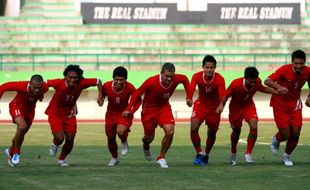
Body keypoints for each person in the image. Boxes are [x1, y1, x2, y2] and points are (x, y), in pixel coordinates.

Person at [123, 62, 193, 168]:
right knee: (149, 138)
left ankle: (161, 157)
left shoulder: (177, 78)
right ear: (161, 73)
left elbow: (185, 80)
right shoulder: (151, 81)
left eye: (171, 76)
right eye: (167, 76)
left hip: (164, 108)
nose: (169, 79)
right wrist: (128, 109)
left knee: (170, 131)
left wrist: (189, 97)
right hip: (148, 111)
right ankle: (146, 145)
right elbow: (137, 93)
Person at [216, 66, 278, 165]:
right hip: (235, 109)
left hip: (248, 106)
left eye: (255, 81)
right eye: (250, 81)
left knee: (254, 126)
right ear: (245, 78)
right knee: (236, 130)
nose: (253, 83)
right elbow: (226, 96)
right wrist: (221, 105)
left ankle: (248, 153)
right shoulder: (236, 83)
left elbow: (262, 88)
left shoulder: (257, 81)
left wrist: (276, 92)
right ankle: (233, 152)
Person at [46, 64, 103, 167]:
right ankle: (55, 143)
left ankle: (62, 159)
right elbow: (45, 84)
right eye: (70, 77)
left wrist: (100, 96)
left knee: (70, 139)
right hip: (55, 113)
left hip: (70, 114)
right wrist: (40, 94)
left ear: (79, 77)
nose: (72, 80)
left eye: (75, 77)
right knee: (60, 139)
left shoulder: (82, 83)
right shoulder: (58, 83)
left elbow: (98, 81)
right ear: (65, 77)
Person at [264, 49, 310, 166]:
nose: (298, 66)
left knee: (295, 133)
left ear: (305, 62)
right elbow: (267, 81)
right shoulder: (284, 70)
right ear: (292, 62)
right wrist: (278, 87)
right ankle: (277, 139)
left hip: (295, 104)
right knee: (286, 134)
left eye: (301, 63)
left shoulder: (308, 71)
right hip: (280, 104)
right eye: (296, 63)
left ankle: (286, 157)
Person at [0, 74, 48, 167]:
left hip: (30, 112)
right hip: (16, 106)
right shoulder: (21, 85)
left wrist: (41, 95)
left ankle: (10, 152)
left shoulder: (44, 87)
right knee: (22, 126)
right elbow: (2, 87)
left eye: (39, 87)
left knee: (21, 133)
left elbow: (43, 90)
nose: (37, 90)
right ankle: (17, 153)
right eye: (35, 87)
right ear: (29, 84)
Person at [188, 55, 226, 165]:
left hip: (214, 108)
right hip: (201, 105)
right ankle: (199, 153)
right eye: (207, 67)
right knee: (194, 127)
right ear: (203, 67)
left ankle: (206, 154)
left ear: (215, 68)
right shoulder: (196, 76)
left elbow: (223, 95)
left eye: (211, 67)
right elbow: (191, 87)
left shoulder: (219, 78)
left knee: (212, 133)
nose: (209, 70)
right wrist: (189, 98)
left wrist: (221, 105)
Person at [102, 66, 141, 166]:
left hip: (124, 114)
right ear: (113, 78)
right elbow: (101, 96)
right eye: (117, 79)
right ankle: (114, 158)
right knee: (110, 138)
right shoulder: (106, 86)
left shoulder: (130, 87)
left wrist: (131, 111)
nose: (119, 82)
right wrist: (100, 100)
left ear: (126, 79)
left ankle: (124, 141)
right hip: (110, 115)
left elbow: (138, 100)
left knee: (120, 131)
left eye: (122, 80)